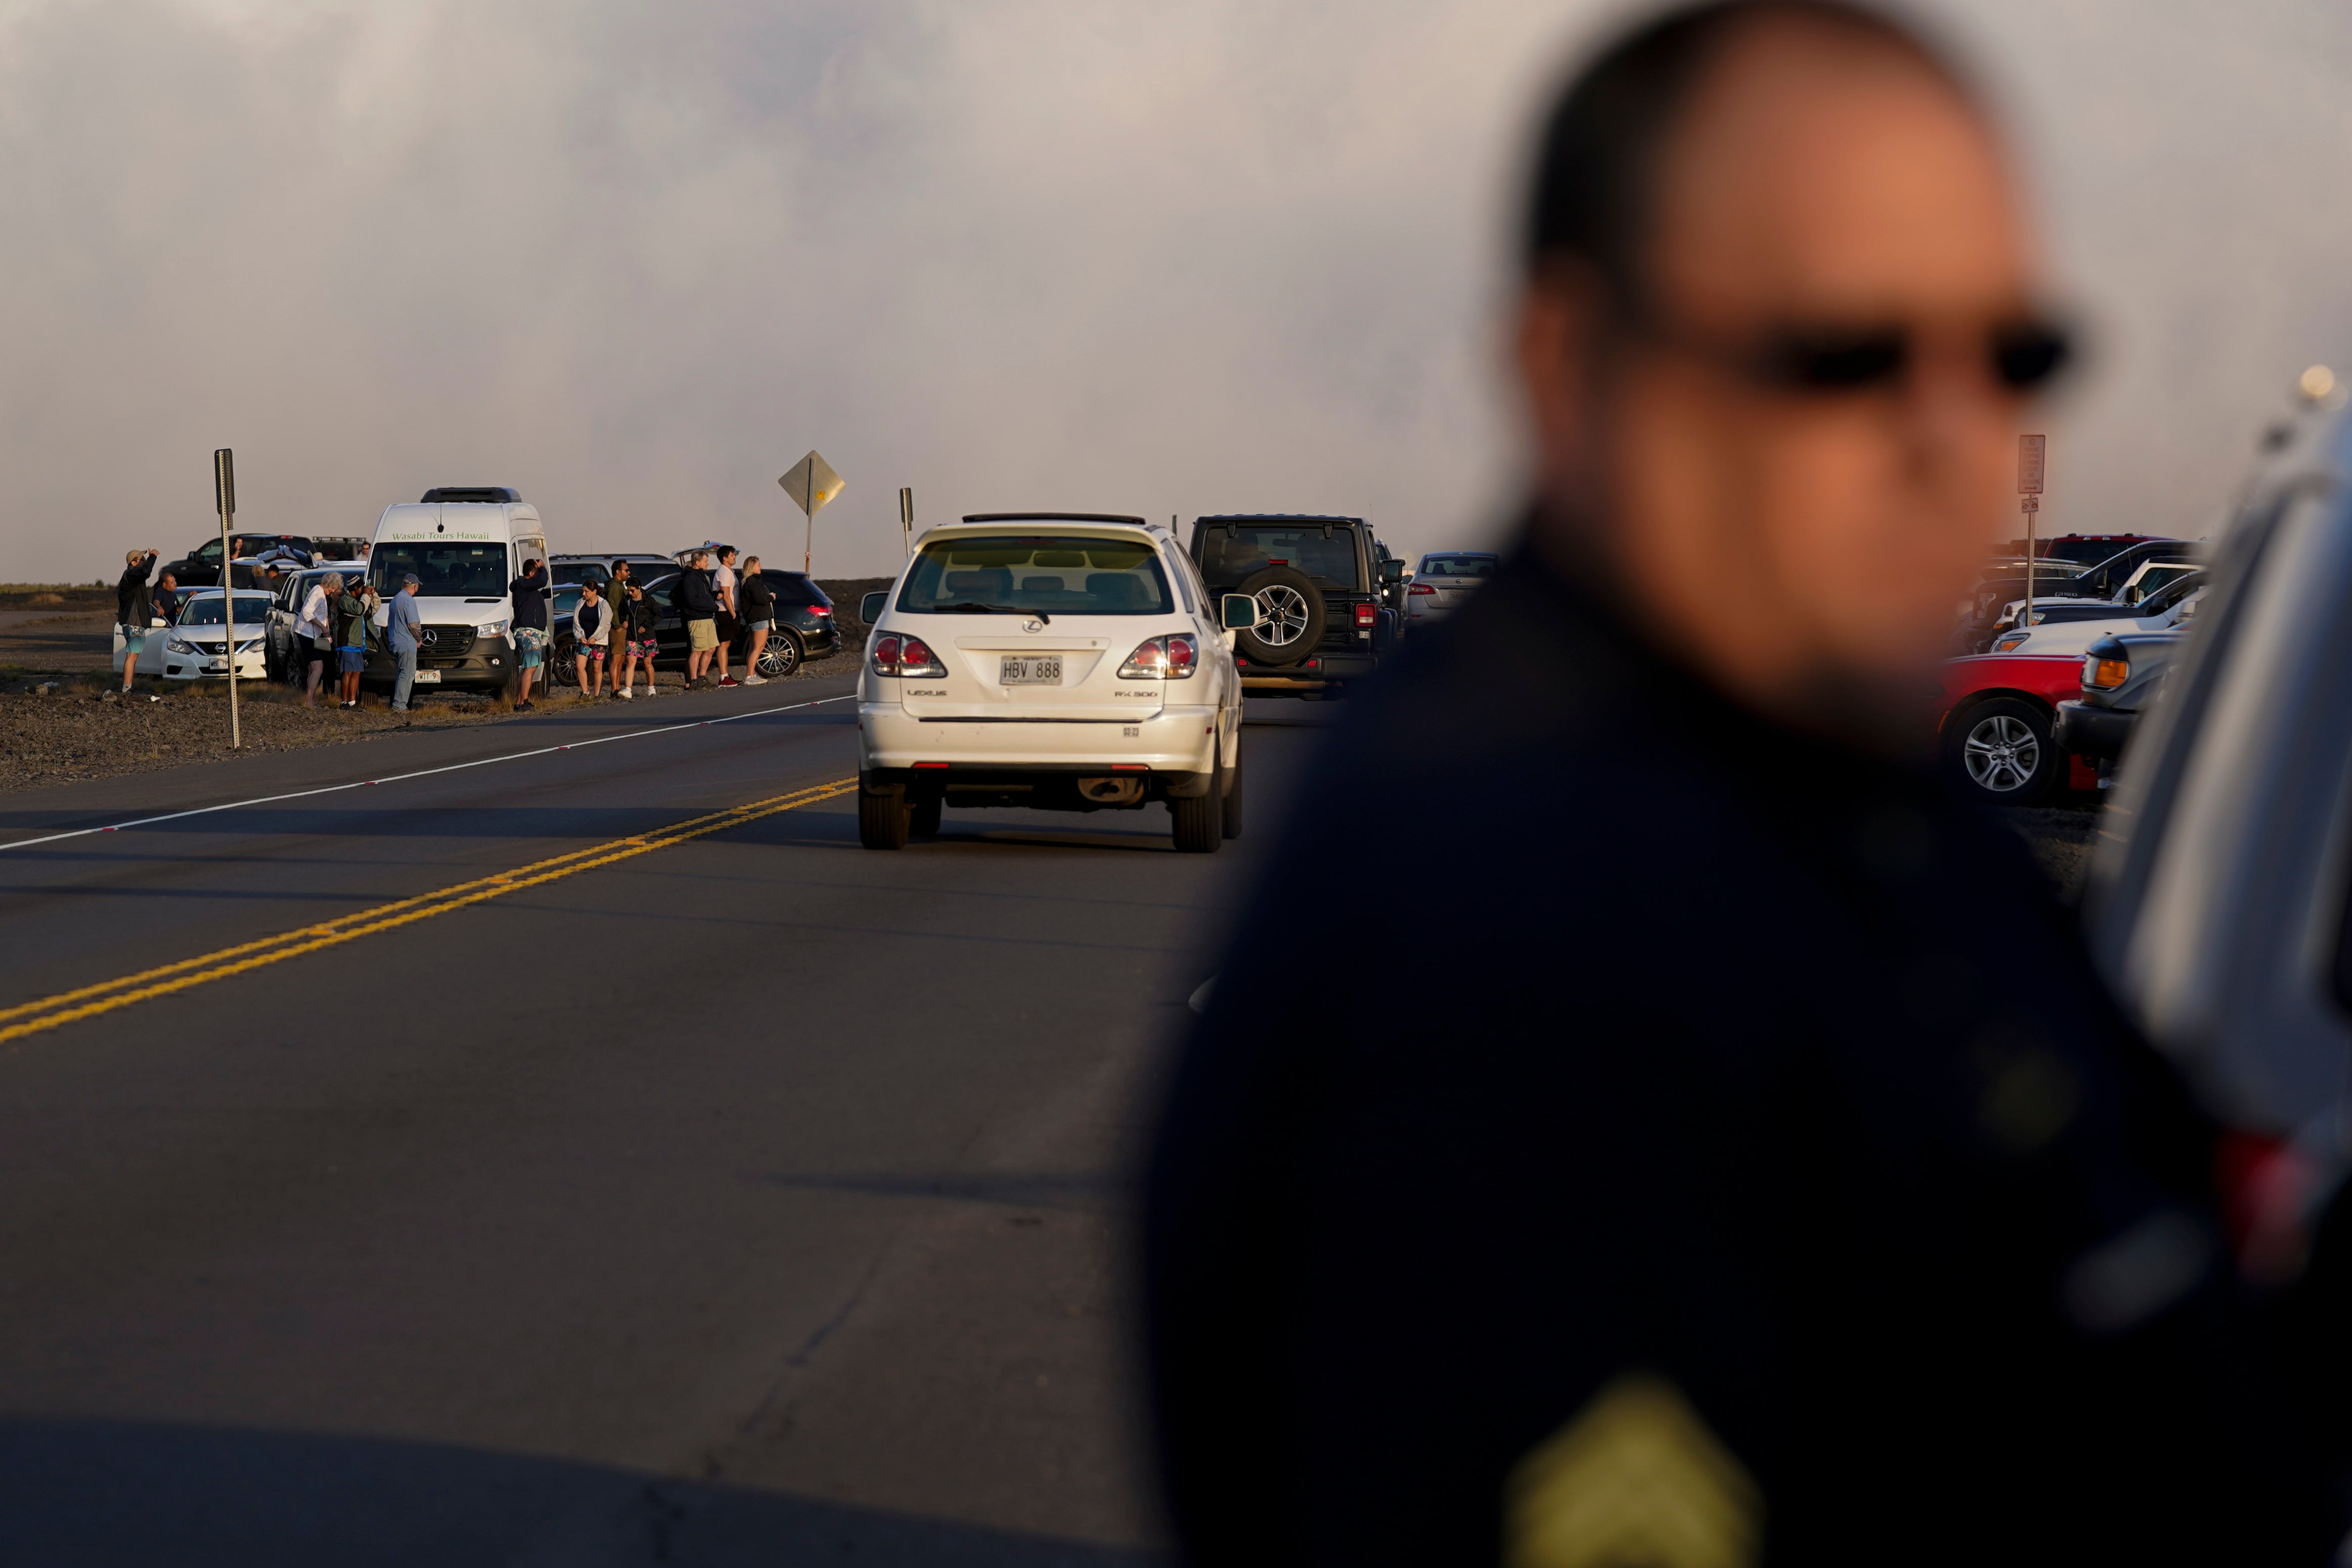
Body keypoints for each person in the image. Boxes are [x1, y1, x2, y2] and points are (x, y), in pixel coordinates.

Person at [1142, 6, 2339, 1565]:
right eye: (1840, 352)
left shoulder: (1817, 783)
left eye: (2007, 353)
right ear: (1571, 365)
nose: (1947, 431)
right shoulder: (1534, 955)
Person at [509, 554, 551, 711]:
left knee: (527, 666)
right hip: (529, 632)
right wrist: (543, 567)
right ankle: (525, 701)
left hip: (526, 630)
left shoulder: (523, 587)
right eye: (537, 571)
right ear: (532, 574)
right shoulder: (524, 585)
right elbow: (542, 581)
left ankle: (520, 702)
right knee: (531, 667)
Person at [114, 548, 159, 695]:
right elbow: (146, 572)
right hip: (133, 622)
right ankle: (126, 688)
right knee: (132, 656)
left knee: (134, 656)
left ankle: (128, 687)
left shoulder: (134, 577)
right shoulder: (131, 575)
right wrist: (153, 557)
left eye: (146, 560)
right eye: (142, 560)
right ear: (134, 562)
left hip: (136, 623)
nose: (145, 562)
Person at [679, 549, 721, 687]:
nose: (708, 564)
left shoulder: (701, 576)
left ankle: (702, 676)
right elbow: (692, 600)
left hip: (708, 617)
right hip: (697, 619)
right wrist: (711, 606)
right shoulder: (690, 578)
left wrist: (713, 599)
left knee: (711, 648)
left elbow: (704, 595)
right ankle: (694, 680)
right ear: (698, 562)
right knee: (697, 650)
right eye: (705, 561)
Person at [615, 578, 658, 699]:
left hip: (647, 637)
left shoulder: (649, 601)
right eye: (628, 590)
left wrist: (646, 625)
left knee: (647, 664)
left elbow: (659, 614)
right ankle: (628, 689)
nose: (630, 593)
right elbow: (621, 613)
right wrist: (623, 621)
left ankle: (651, 688)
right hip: (632, 637)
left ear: (639, 588)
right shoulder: (626, 601)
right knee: (630, 662)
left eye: (632, 590)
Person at [296, 572, 335, 706]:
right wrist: (322, 627)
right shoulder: (318, 593)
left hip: (310, 634)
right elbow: (307, 612)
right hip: (307, 633)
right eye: (333, 588)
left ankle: (310, 699)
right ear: (329, 584)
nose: (333, 591)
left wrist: (326, 627)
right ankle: (309, 700)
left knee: (314, 668)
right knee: (318, 667)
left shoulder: (320, 593)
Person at [332, 574, 370, 708]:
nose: (363, 589)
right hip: (346, 643)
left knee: (357, 672)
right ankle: (344, 702)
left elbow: (369, 610)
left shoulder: (357, 599)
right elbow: (360, 610)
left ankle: (352, 702)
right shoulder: (346, 601)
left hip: (357, 643)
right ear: (355, 588)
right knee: (347, 672)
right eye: (361, 588)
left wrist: (372, 596)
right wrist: (366, 596)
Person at [387, 572, 424, 712]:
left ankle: (399, 703)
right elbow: (414, 624)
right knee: (407, 675)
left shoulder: (396, 599)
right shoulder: (409, 600)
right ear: (415, 587)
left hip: (396, 641)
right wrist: (419, 639)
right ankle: (400, 705)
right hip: (406, 643)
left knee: (402, 673)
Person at [737, 555, 776, 685]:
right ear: (752, 567)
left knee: (753, 647)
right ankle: (749, 676)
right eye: (759, 565)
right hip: (759, 617)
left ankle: (751, 673)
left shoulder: (748, 582)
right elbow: (760, 599)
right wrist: (771, 598)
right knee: (759, 647)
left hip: (754, 617)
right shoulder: (752, 582)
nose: (761, 567)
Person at [571, 579, 610, 698]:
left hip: (599, 642)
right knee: (579, 666)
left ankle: (597, 694)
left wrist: (595, 638)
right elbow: (576, 622)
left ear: (594, 592)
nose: (584, 594)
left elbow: (606, 625)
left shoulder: (604, 605)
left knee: (597, 669)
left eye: (587, 592)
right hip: (584, 640)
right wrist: (580, 636)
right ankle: (585, 692)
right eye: (583, 591)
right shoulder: (580, 603)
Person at [712, 546, 741, 687]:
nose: (734, 557)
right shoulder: (724, 572)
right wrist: (733, 614)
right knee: (723, 644)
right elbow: (726, 596)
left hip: (728, 611)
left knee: (727, 643)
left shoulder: (729, 572)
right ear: (725, 558)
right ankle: (723, 677)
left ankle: (726, 674)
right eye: (732, 555)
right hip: (725, 612)